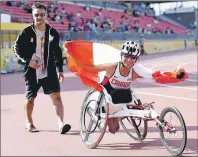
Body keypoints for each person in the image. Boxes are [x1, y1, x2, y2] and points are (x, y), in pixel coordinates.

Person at [63, 40, 188, 134]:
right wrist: (73, 57)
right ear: (122, 55)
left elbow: (154, 76)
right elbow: (89, 68)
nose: (129, 60)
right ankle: (95, 115)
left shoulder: (135, 71)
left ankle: (113, 118)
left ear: (136, 59)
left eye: (133, 57)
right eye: (126, 56)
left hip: (121, 99)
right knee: (107, 127)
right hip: (107, 97)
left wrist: (175, 76)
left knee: (114, 130)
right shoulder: (111, 66)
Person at [13, 2, 71, 134]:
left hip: (49, 70)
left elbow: (57, 51)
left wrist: (60, 70)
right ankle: (29, 122)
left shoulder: (53, 32)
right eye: (36, 15)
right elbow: (16, 49)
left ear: (46, 15)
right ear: (32, 16)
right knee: (30, 98)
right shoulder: (26, 32)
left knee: (56, 96)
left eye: (42, 15)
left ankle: (61, 124)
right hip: (32, 71)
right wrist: (28, 62)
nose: (39, 17)